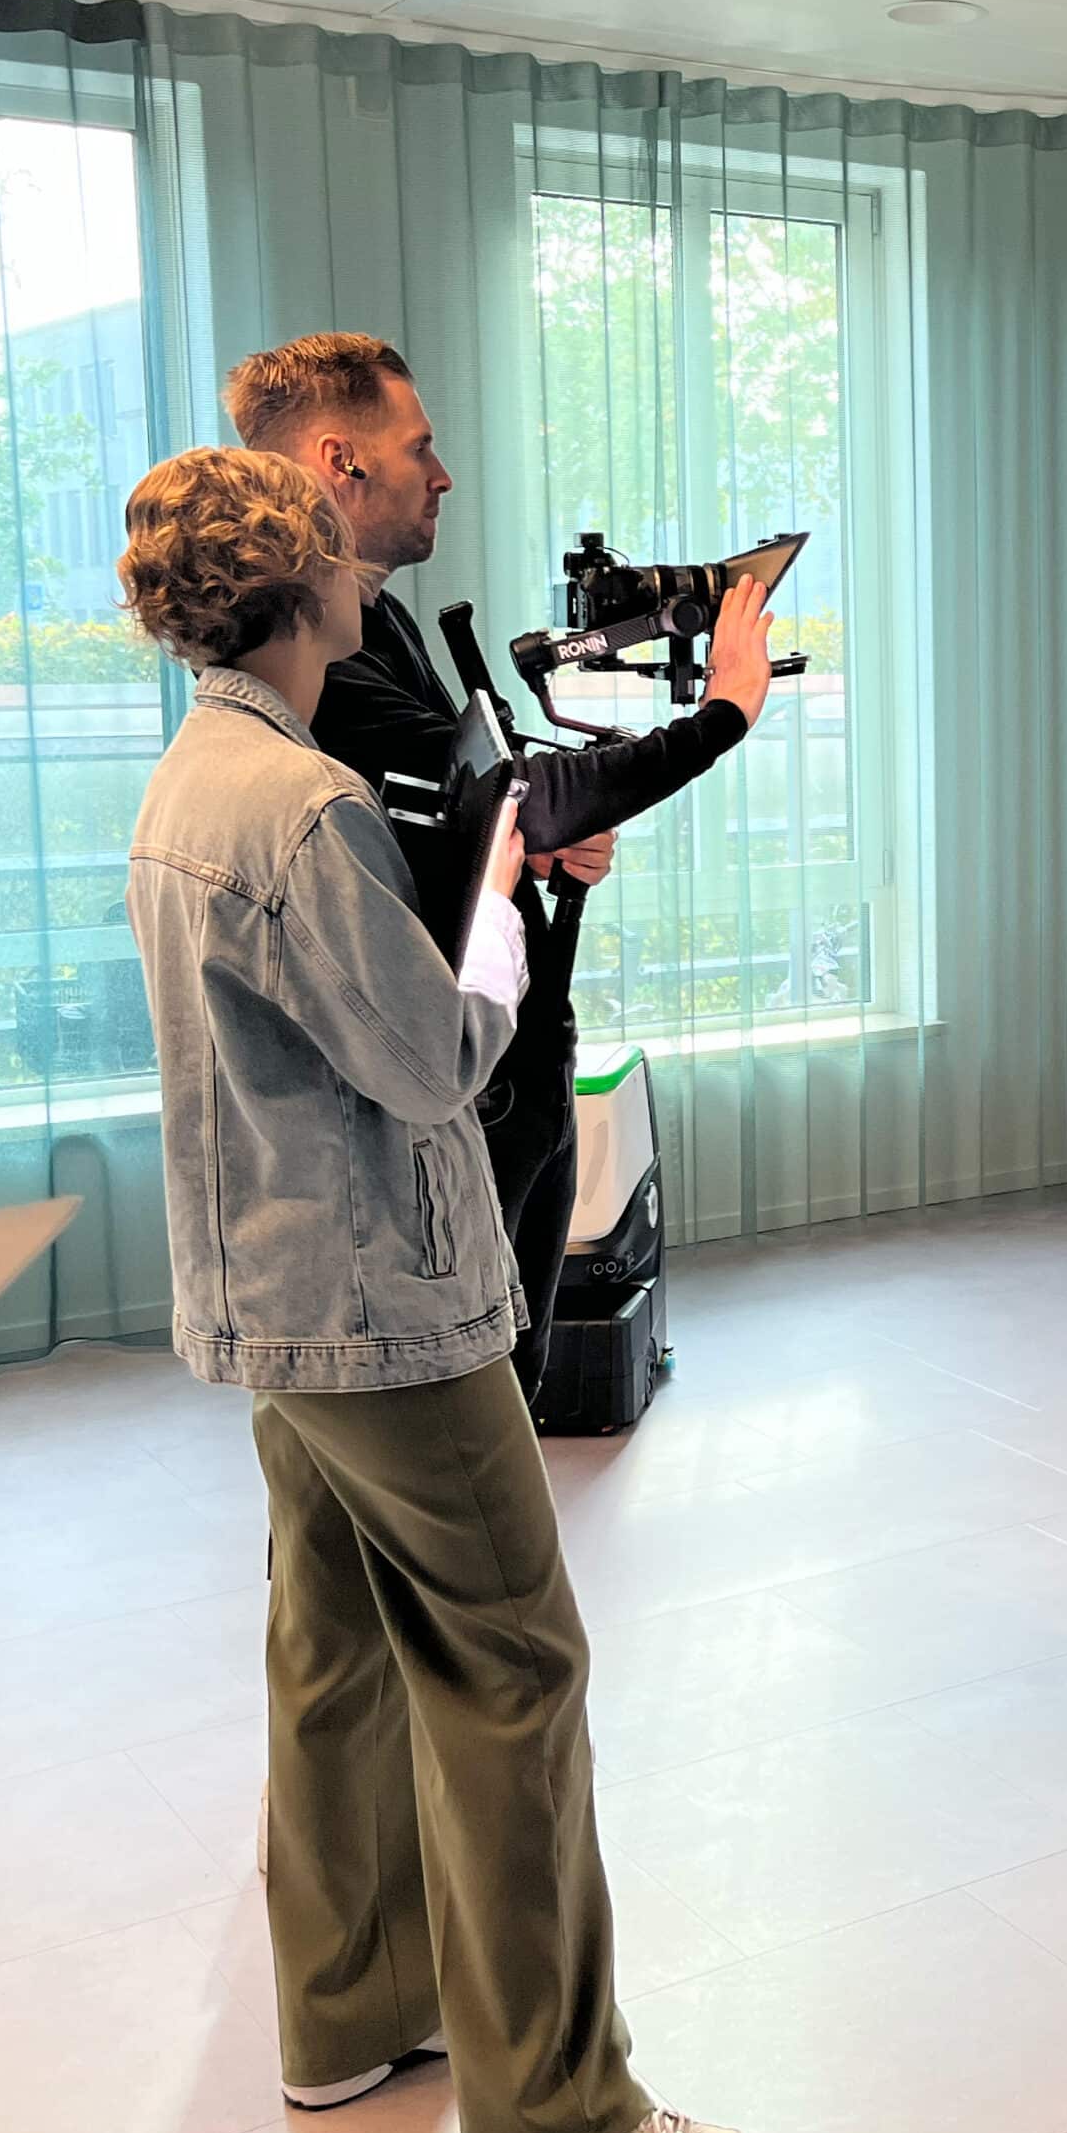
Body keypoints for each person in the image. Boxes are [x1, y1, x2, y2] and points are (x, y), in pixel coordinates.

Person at [122, 445, 751, 2133]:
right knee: (516, 1668)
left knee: (330, 1650)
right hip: (384, 1305)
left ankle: (350, 2010)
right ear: (303, 582)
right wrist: (502, 901)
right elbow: (437, 1056)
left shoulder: (191, 780)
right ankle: (558, 2122)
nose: (367, 574)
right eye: (343, 553)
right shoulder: (306, 808)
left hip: (271, 1294)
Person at [222, 333, 775, 1401]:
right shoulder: (313, 654)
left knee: (513, 1390)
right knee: (478, 1425)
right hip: (448, 1080)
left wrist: (540, 835)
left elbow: (460, 799)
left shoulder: (375, 618)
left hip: (512, 1058)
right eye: (418, 447)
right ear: (341, 461)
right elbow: (506, 794)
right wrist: (722, 713)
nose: (442, 475)